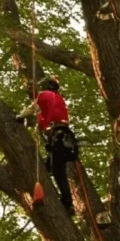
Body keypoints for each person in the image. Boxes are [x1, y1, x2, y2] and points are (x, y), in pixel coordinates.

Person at [18, 75, 77, 215]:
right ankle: (48, 176)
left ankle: (67, 203)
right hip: (63, 137)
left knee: (58, 172)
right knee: (51, 167)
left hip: (58, 137)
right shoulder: (59, 99)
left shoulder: (45, 95)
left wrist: (19, 117)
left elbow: (32, 108)